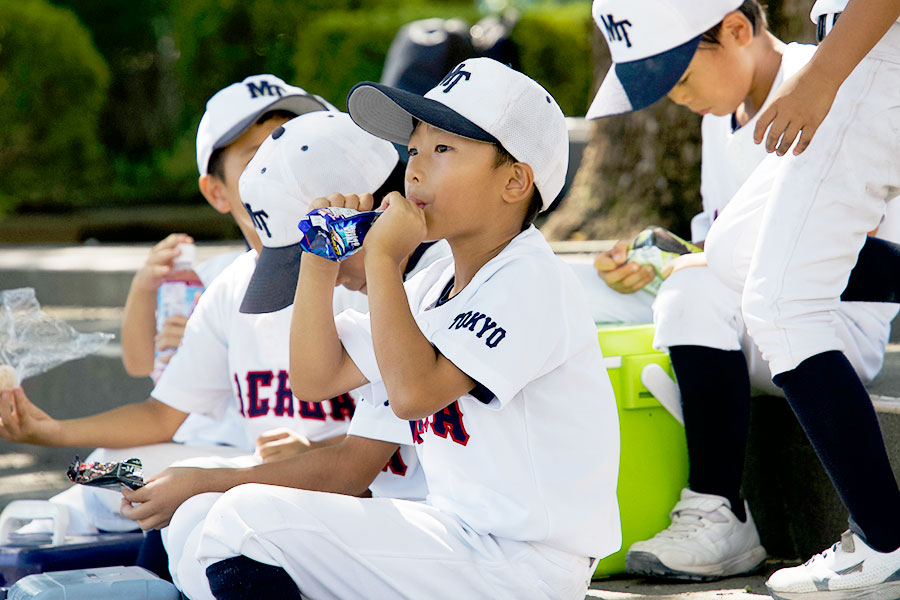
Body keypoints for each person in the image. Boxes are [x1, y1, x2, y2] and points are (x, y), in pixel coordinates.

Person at [183, 58, 621, 600]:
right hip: (463, 539)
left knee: (246, 522)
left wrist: (383, 260)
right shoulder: (434, 282)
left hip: (527, 562)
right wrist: (319, 258)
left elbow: (415, 395)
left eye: (443, 150)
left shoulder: (530, 277)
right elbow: (316, 379)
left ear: (514, 181)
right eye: (413, 150)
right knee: (228, 519)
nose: (414, 171)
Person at [588, 0, 900, 597]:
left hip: (839, 323)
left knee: (719, 285)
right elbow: (718, 242)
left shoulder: (817, 76)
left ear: (736, 29)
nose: (675, 97)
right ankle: (718, 513)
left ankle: (872, 537)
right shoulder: (720, 114)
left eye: (680, 76)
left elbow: (845, 247)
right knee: (694, 277)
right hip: (767, 323)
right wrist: (665, 256)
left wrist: (699, 261)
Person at [0, 75, 355, 535]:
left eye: (299, 148)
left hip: (348, 484)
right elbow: (161, 413)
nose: (283, 169)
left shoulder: (366, 273)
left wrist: (316, 456)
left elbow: (396, 437)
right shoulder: (229, 284)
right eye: (257, 157)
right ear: (216, 192)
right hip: (252, 465)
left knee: (198, 510)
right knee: (97, 474)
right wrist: (50, 431)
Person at [119, 110, 446, 599]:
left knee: (234, 522)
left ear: (375, 211)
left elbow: (351, 470)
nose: (331, 276)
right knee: (191, 520)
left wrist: (211, 479)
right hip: (400, 510)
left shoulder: (434, 283)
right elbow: (313, 383)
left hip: (451, 531)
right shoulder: (391, 282)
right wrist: (325, 256)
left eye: (329, 249)